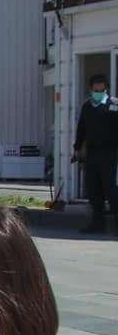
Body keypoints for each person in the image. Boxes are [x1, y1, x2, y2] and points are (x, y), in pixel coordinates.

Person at [71, 73, 118, 234]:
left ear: (106, 89)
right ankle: (97, 224)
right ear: (90, 89)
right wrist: (77, 148)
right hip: (92, 153)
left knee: (112, 190)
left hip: (110, 154)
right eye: (95, 90)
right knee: (94, 190)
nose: (98, 92)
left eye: (101, 90)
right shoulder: (87, 106)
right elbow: (81, 129)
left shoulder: (114, 105)